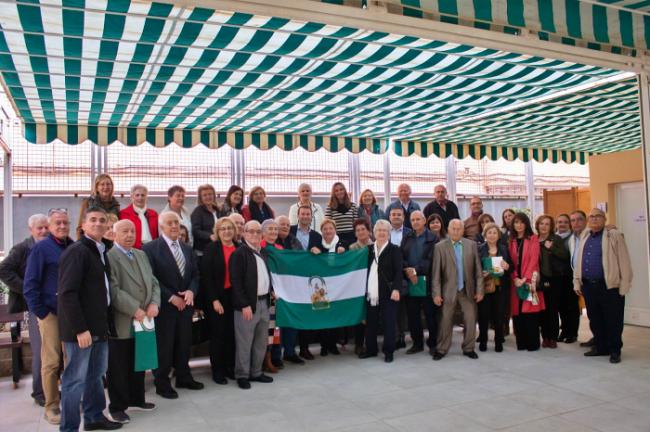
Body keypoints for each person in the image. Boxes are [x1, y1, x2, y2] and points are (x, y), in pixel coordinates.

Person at [58, 207, 122, 431]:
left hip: (98, 327)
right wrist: (80, 329)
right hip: (81, 331)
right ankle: (69, 428)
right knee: (74, 381)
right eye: (92, 220)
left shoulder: (99, 250)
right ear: (83, 225)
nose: (97, 223)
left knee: (96, 376)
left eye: (102, 220)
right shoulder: (78, 251)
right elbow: (67, 293)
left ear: (107, 226)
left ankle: (94, 418)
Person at [143, 211, 203, 399]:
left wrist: (192, 291)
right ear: (161, 227)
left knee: (184, 343)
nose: (175, 226)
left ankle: (184, 376)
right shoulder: (150, 249)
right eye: (170, 223)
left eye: (176, 222)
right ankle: (162, 382)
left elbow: (195, 274)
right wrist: (171, 297)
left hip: (185, 306)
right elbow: (151, 279)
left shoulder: (186, 248)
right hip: (165, 306)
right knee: (165, 346)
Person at [106, 220, 160, 424]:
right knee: (119, 365)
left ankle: (137, 399)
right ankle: (117, 407)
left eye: (133, 231)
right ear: (114, 234)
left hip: (145, 319)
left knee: (140, 360)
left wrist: (155, 303)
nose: (129, 235)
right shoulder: (110, 257)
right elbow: (113, 289)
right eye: (125, 231)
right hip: (123, 319)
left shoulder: (141, 253)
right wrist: (134, 309)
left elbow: (153, 282)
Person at [23, 209, 73, 425]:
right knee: (52, 361)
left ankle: (71, 400)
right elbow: (30, 284)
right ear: (50, 226)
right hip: (50, 313)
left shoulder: (73, 247)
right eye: (57, 223)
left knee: (72, 359)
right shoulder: (41, 248)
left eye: (65, 222)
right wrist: (42, 313)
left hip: (71, 313)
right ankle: (51, 406)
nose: (62, 226)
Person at [0, 213, 49, 406]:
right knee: (40, 350)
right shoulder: (22, 248)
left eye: (46, 227)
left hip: (51, 305)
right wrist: (25, 288)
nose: (44, 231)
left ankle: (50, 389)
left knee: (51, 351)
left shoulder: (51, 245)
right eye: (40, 228)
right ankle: (39, 392)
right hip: (35, 306)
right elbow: (4, 270)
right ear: (31, 229)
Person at [574, 208, 632, 364]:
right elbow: (579, 260)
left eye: (598, 216)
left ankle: (614, 350)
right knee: (595, 319)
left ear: (604, 219)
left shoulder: (613, 235)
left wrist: (624, 285)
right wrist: (577, 281)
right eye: (591, 217)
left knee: (613, 320)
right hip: (588, 286)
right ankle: (601, 347)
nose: (594, 219)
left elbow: (624, 262)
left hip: (609, 287)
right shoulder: (585, 235)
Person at [229, 220, 274, 389]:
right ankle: (242, 375)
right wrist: (244, 305)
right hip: (248, 306)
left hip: (264, 302)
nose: (255, 235)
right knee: (244, 342)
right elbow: (236, 282)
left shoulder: (262, 253)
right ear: (244, 234)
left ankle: (256, 372)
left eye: (257, 232)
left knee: (261, 341)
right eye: (251, 231)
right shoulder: (239, 254)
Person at [432, 219, 483, 360]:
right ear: (448, 230)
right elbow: (436, 274)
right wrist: (436, 294)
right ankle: (442, 349)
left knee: (470, 319)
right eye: (453, 228)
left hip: (468, 290)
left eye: (459, 228)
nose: (455, 231)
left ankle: (468, 348)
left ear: (463, 230)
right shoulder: (440, 247)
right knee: (445, 320)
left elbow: (478, 271)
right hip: (448, 290)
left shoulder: (471, 245)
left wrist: (480, 290)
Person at [200, 217, 239, 385]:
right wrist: (214, 300)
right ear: (218, 231)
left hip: (235, 297)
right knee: (218, 335)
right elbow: (206, 277)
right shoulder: (211, 248)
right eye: (223, 228)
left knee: (232, 334)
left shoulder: (239, 248)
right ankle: (217, 370)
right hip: (217, 297)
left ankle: (230, 367)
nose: (227, 231)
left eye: (230, 228)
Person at [359, 220, 403, 363]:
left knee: (389, 323)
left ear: (389, 234)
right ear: (374, 233)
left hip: (388, 292)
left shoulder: (394, 249)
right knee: (371, 322)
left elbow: (398, 271)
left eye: (385, 231)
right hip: (371, 293)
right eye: (379, 230)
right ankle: (371, 349)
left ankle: (389, 351)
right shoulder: (369, 249)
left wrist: (396, 288)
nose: (382, 233)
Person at [288, 206, 323, 361]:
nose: (305, 216)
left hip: (310, 280)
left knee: (309, 314)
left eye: (308, 214)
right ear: (298, 215)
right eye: (302, 213)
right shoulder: (289, 231)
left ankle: (304, 348)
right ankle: (289, 351)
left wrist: (319, 251)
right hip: (292, 279)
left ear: (311, 217)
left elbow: (322, 257)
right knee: (294, 313)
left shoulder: (317, 236)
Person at [401, 211, 438, 355]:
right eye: (413, 220)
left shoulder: (432, 238)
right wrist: (408, 271)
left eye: (418, 219)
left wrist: (415, 270)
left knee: (430, 315)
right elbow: (401, 256)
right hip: (411, 281)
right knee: (413, 315)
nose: (415, 222)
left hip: (426, 281)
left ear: (424, 221)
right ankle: (417, 343)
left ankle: (433, 343)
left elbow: (431, 260)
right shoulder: (407, 237)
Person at [312, 218, 347, 356]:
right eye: (325, 229)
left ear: (335, 230)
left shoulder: (341, 243)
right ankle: (324, 345)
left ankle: (333, 345)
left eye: (330, 228)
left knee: (334, 314)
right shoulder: (317, 244)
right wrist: (312, 250)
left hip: (337, 286)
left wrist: (344, 250)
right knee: (322, 314)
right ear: (322, 231)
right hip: (320, 286)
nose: (328, 231)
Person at [509, 212, 542, 351]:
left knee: (530, 312)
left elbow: (534, 260)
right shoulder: (511, 240)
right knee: (517, 313)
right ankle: (521, 343)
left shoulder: (533, 238)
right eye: (516, 222)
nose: (519, 225)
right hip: (515, 281)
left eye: (522, 222)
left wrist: (525, 278)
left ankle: (533, 343)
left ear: (526, 224)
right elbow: (510, 261)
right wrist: (515, 278)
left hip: (529, 281)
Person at [536, 215, 570, 349]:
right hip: (539, 278)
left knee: (552, 309)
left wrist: (551, 248)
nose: (544, 226)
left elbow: (564, 255)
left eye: (547, 224)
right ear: (537, 225)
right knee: (542, 310)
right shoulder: (534, 239)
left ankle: (552, 337)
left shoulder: (556, 239)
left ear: (551, 227)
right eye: (541, 224)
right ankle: (544, 337)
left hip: (554, 278)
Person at [477, 223, 512, 352]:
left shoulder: (504, 249)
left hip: (500, 288)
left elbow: (511, 267)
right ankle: (483, 341)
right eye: (489, 233)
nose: (492, 235)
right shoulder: (479, 249)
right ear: (485, 235)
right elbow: (474, 268)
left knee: (499, 316)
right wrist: (481, 273)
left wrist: (507, 267)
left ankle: (498, 342)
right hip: (484, 288)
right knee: (483, 315)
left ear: (498, 235)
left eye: (494, 233)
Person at [260, 219, 283, 373]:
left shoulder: (280, 248)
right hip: (267, 293)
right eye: (270, 229)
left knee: (276, 328)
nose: (273, 232)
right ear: (263, 232)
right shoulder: (260, 248)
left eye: (276, 229)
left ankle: (275, 357)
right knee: (266, 329)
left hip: (279, 294)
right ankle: (264, 359)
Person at [569, 210, 593, 347]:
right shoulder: (573, 238)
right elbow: (574, 261)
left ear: (585, 221)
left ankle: (604, 342)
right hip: (582, 280)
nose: (575, 223)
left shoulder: (591, 235)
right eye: (573, 220)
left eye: (579, 219)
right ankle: (597, 338)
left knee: (599, 313)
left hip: (593, 279)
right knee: (591, 312)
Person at [388, 206, 410, 349]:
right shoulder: (384, 231)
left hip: (404, 274)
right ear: (389, 217)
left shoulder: (410, 233)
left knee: (402, 309)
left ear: (403, 217)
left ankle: (401, 336)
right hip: (388, 275)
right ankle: (394, 336)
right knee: (391, 308)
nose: (396, 217)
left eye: (399, 214)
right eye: (393, 214)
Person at [77, 174, 120, 238]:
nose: (106, 187)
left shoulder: (116, 205)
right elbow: (80, 227)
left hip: (110, 242)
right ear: (97, 187)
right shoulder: (87, 202)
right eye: (102, 184)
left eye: (108, 184)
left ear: (112, 187)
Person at [118, 184, 158, 249]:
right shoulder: (123, 214)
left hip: (152, 249)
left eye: (143, 195)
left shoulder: (154, 214)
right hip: (132, 250)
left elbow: (157, 235)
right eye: (137, 195)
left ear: (146, 197)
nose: (140, 198)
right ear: (131, 197)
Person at [191, 184, 221, 256]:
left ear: (214, 195)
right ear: (200, 198)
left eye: (210, 194)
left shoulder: (218, 210)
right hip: (203, 251)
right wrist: (210, 236)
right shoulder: (197, 212)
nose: (208, 197)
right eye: (204, 195)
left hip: (217, 248)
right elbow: (195, 231)